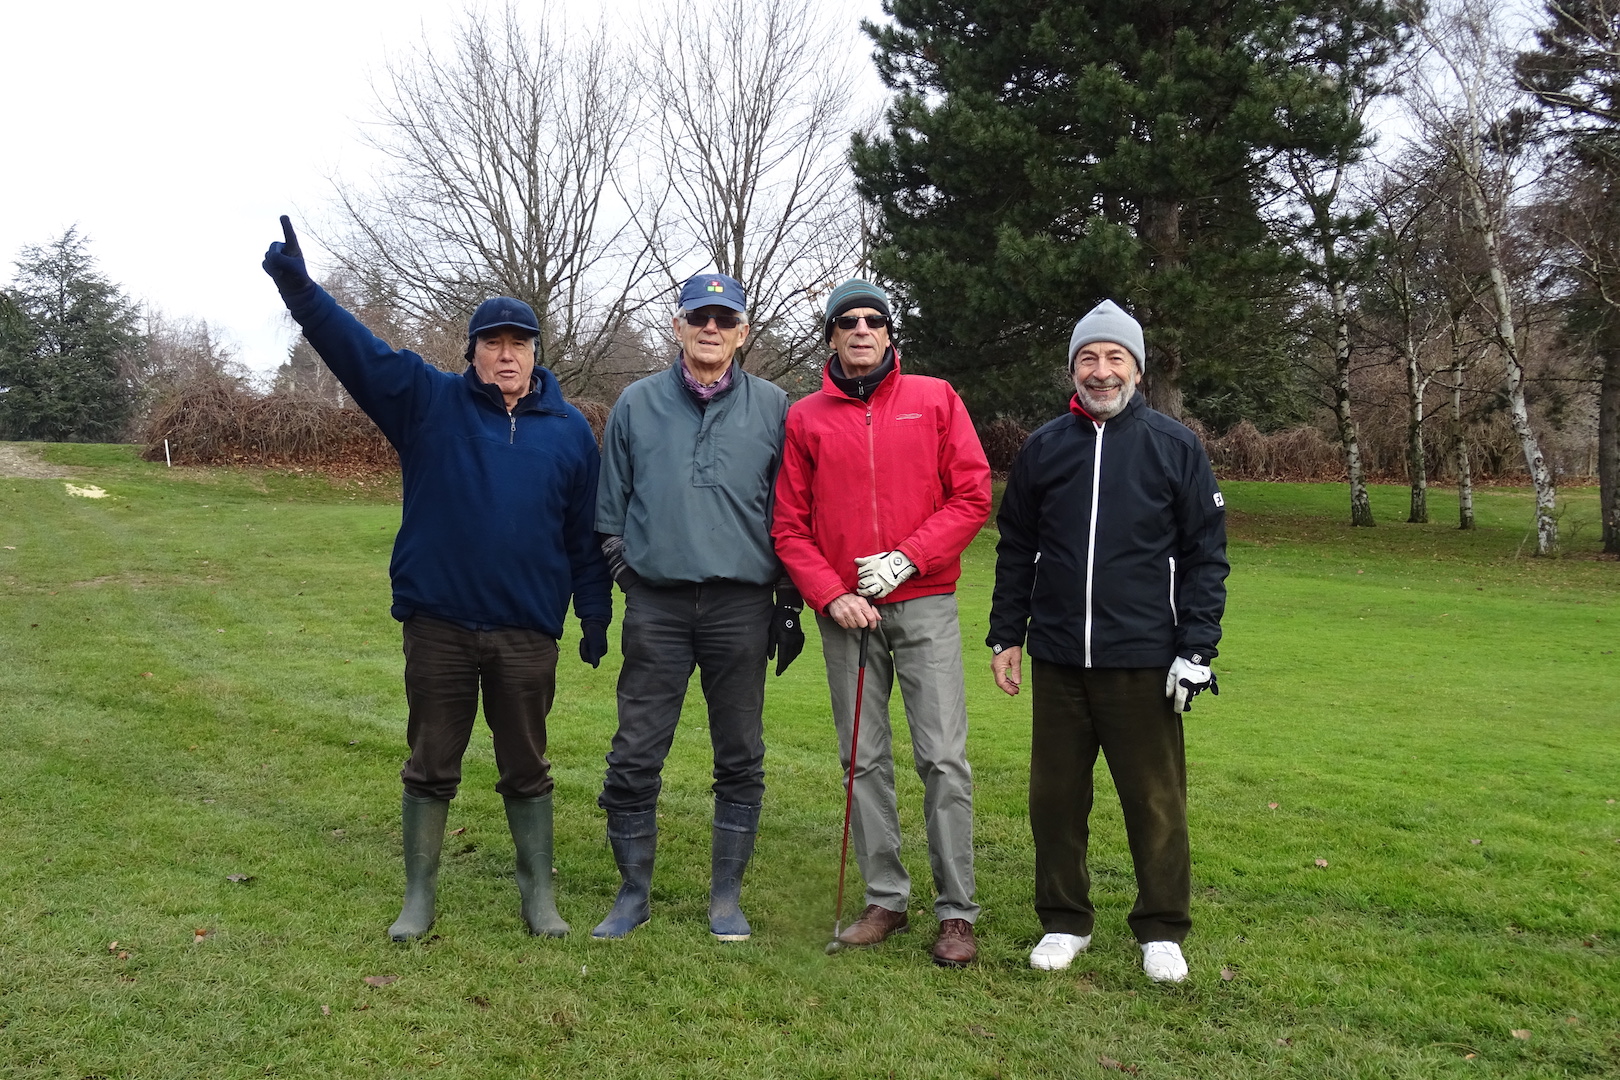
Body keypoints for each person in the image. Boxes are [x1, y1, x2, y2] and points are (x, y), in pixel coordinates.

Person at [261, 217, 612, 942]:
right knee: (430, 764)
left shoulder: (570, 430)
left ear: (536, 353)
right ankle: (419, 897)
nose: (506, 354)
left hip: (525, 632)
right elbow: (357, 353)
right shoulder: (427, 403)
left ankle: (538, 898)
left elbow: (583, 535)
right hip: (439, 627)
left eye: (519, 343)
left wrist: (595, 612)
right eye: (493, 342)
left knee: (528, 766)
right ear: (474, 352)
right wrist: (301, 291)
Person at [987, 299, 1228, 982]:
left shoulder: (1174, 446)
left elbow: (1206, 557)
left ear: (1136, 368)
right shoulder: (1043, 447)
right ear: (1073, 368)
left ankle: (1161, 928)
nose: (1101, 370)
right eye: (1088, 358)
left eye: (1114, 357)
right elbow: (1017, 549)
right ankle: (1064, 920)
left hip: (1144, 660)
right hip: (1060, 659)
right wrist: (1008, 634)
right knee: (1055, 800)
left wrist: (1196, 649)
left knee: (1154, 801)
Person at [772, 279, 992, 967]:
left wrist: (906, 559)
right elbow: (789, 526)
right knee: (862, 759)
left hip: (922, 601)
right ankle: (885, 900)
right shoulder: (806, 417)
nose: (861, 330)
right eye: (847, 322)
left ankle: (956, 912)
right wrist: (832, 594)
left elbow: (972, 494)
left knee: (942, 758)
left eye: (873, 320)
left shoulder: (935, 398)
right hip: (848, 615)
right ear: (831, 337)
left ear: (889, 332)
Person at [592, 272, 800, 942]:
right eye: (697, 317)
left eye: (724, 319)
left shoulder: (774, 407)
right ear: (677, 326)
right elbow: (609, 510)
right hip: (658, 604)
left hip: (742, 605)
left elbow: (792, 511)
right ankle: (632, 894)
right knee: (634, 753)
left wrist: (788, 601)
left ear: (742, 332)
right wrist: (633, 577)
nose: (710, 329)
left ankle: (726, 901)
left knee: (740, 753)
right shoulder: (636, 403)